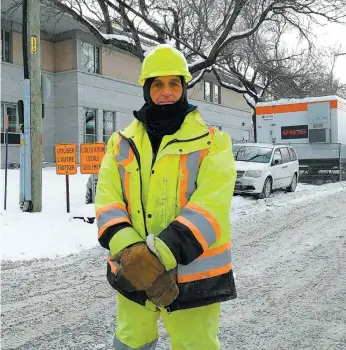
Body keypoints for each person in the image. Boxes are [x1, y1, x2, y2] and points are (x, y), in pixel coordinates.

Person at [95, 44, 237, 350]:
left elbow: (212, 204)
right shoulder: (120, 143)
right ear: (146, 89)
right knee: (132, 341)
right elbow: (107, 200)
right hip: (134, 270)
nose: (166, 92)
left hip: (194, 274)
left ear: (184, 88)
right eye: (157, 84)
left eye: (174, 83)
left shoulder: (214, 142)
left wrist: (160, 254)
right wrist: (132, 253)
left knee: (195, 344)